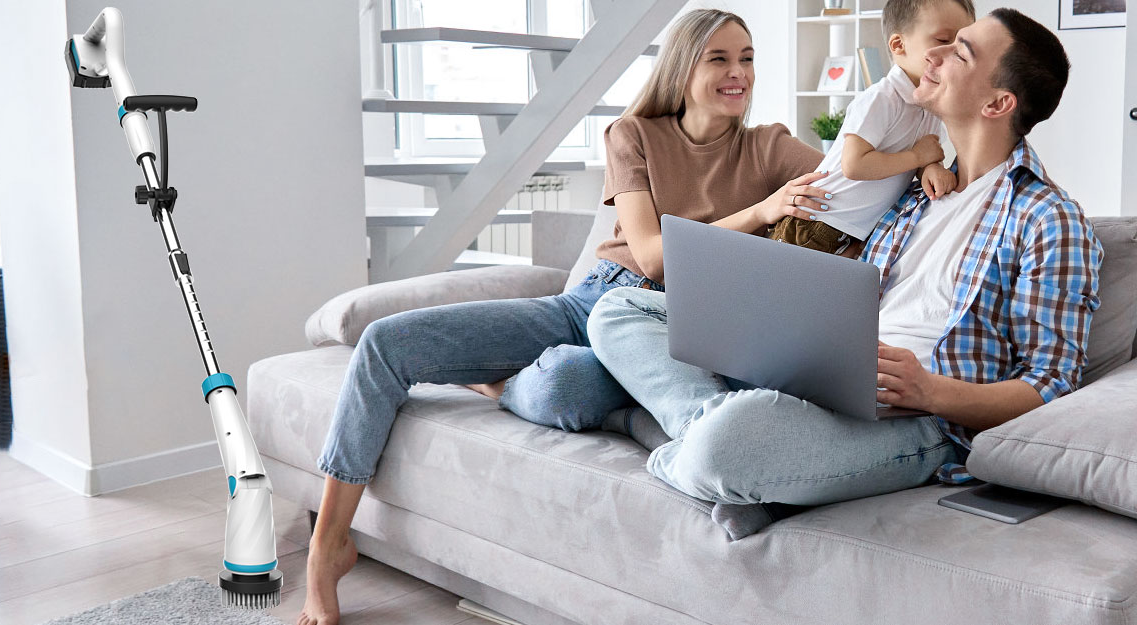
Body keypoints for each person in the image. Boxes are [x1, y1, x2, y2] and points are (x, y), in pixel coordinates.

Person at [297, 10, 827, 625]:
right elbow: (652, 258)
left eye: (748, 58)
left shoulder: (771, 147)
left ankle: (497, 382)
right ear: (684, 68)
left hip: (665, 336)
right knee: (386, 341)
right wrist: (761, 213)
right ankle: (328, 544)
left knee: (567, 386)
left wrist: (925, 159)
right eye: (720, 59)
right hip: (593, 303)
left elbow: (858, 173)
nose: (739, 73)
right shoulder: (634, 135)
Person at [587, 8, 1103, 536]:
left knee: (732, 442)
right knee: (621, 308)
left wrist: (929, 391)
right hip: (827, 370)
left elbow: (1051, 383)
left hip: (916, 420)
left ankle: (687, 439)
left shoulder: (1049, 220)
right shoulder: (910, 193)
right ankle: (710, 436)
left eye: (959, 50)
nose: (935, 53)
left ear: (998, 103)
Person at [769, 0, 975, 255]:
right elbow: (855, 165)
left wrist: (930, 168)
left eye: (962, 46)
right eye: (944, 40)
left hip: (854, 231)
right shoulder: (882, 98)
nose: (953, 53)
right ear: (899, 46)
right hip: (814, 222)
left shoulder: (930, 106)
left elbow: (923, 152)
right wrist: (918, 157)